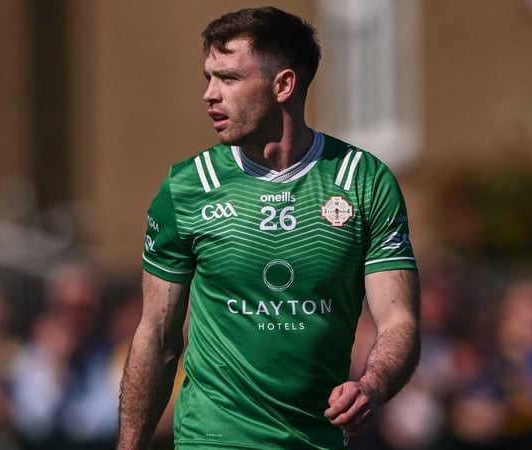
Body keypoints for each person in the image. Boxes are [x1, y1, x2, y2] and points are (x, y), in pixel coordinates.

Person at [117, 7, 421, 450]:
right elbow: (157, 336)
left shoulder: (363, 181)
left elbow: (399, 321)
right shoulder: (186, 187)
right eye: (209, 77)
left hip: (317, 440)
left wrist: (371, 385)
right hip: (213, 438)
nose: (209, 94)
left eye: (229, 78)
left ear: (283, 85)